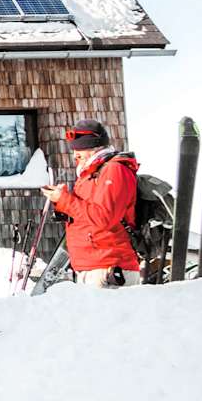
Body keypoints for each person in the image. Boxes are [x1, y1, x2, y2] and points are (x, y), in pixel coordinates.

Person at [41, 119, 141, 288]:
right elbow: (87, 215)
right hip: (93, 268)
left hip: (109, 270)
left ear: (94, 147)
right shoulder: (90, 175)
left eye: (79, 149)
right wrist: (61, 201)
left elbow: (104, 218)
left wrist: (65, 200)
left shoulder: (114, 170)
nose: (75, 155)